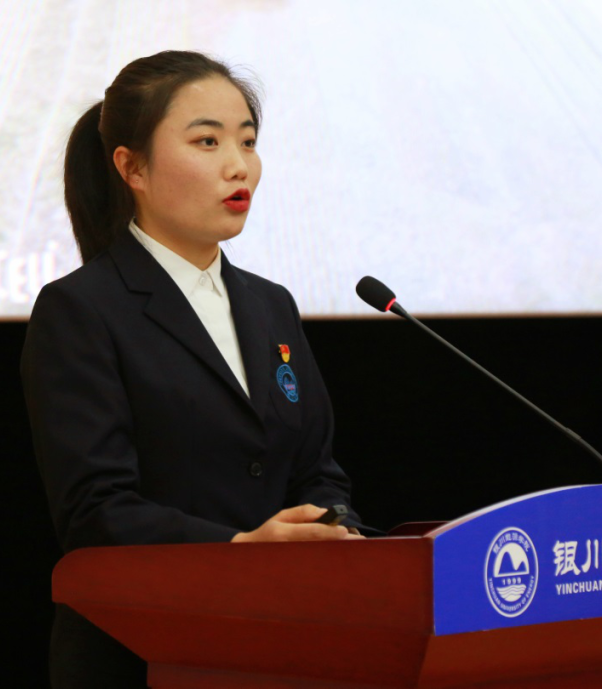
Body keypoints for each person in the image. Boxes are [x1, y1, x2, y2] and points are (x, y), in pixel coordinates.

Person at [20, 50, 378, 689]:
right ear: (131, 167)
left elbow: (317, 471)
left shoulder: (271, 305)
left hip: (281, 644)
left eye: (247, 141)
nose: (238, 165)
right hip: (142, 651)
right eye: (207, 141)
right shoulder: (81, 309)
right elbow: (95, 509)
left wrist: (336, 527)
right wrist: (239, 550)